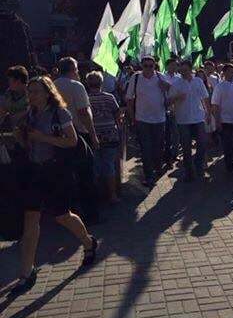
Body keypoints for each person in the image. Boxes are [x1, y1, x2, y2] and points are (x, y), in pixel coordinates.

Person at [11, 76, 97, 294]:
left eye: (36, 91)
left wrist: (43, 137)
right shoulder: (30, 115)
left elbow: (72, 141)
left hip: (56, 172)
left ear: (48, 92)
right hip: (34, 172)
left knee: (62, 215)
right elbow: (28, 145)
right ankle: (27, 272)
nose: (32, 96)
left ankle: (88, 242)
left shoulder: (60, 113)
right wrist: (20, 137)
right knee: (30, 219)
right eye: (30, 92)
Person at [55, 57, 100, 224]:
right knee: (86, 175)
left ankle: (70, 213)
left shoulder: (52, 85)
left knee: (67, 176)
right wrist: (93, 135)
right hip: (79, 134)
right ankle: (91, 215)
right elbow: (83, 112)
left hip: (58, 137)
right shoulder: (76, 86)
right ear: (73, 69)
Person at [126, 56, 170, 187]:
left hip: (159, 119)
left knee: (158, 147)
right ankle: (149, 175)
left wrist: (167, 87)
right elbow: (129, 99)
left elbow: (171, 93)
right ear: (141, 66)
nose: (149, 68)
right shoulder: (136, 78)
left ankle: (157, 167)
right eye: (146, 65)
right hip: (142, 119)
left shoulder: (161, 77)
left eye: (151, 66)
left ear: (155, 66)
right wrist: (132, 116)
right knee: (145, 148)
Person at [169, 60, 210, 181]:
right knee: (186, 147)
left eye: (186, 70)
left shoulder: (198, 81)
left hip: (198, 117)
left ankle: (198, 165)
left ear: (190, 70)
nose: (183, 73)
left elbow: (205, 97)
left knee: (202, 143)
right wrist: (177, 97)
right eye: (181, 71)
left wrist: (208, 113)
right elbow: (168, 101)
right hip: (183, 120)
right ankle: (189, 171)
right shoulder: (176, 83)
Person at [86, 71, 122, 203]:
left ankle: (97, 195)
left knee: (95, 166)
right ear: (101, 83)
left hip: (93, 135)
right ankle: (112, 195)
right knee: (109, 165)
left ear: (88, 83)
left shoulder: (86, 98)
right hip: (110, 135)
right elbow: (117, 115)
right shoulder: (109, 97)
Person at [163, 58, 180, 168]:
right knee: (166, 133)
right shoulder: (162, 77)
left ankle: (175, 153)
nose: (174, 67)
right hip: (164, 107)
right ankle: (166, 154)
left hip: (177, 108)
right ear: (167, 66)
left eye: (175, 65)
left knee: (176, 132)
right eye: (172, 65)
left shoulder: (179, 78)